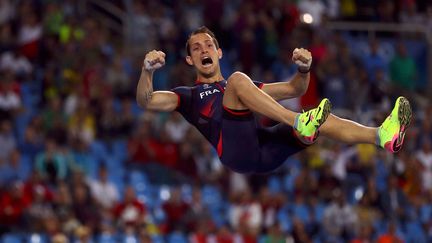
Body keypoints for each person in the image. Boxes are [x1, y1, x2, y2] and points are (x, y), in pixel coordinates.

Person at [136, 26, 412, 174]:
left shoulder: (245, 88)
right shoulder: (188, 95)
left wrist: (303, 68)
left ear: (219, 52)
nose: (203, 49)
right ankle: (299, 122)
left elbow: (295, 88)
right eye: (196, 48)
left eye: (208, 45)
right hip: (235, 154)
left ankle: (381, 135)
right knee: (238, 81)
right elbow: (146, 101)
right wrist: (147, 71)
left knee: (322, 118)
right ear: (189, 60)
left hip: (266, 152)